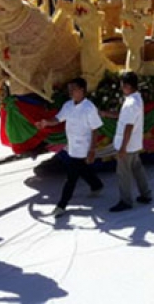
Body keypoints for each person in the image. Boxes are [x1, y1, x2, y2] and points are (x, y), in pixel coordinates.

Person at [36, 77, 105, 217]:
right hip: (72, 145)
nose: (70, 92)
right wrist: (46, 123)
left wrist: (92, 149)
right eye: (69, 89)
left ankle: (62, 205)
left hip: (84, 146)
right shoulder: (68, 105)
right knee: (81, 169)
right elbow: (58, 118)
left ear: (82, 90)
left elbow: (95, 129)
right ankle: (96, 185)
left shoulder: (89, 108)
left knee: (71, 177)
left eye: (73, 89)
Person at [106, 71, 153, 212]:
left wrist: (122, 148)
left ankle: (126, 201)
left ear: (127, 86)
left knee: (123, 173)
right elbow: (124, 118)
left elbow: (128, 126)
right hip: (134, 144)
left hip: (127, 145)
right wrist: (106, 114)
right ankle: (146, 194)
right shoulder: (137, 99)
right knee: (137, 169)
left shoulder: (130, 103)